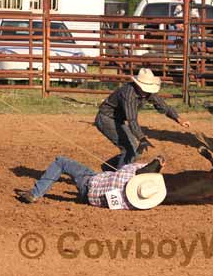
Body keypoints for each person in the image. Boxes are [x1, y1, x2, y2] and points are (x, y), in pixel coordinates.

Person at [95, 68, 190, 171]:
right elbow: (132, 120)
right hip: (106, 118)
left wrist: (179, 119)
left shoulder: (148, 92)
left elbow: (163, 106)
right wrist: (142, 138)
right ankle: (119, 175)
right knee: (131, 149)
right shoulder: (129, 95)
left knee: (133, 150)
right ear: (138, 85)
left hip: (117, 119)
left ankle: (108, 168)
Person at [15, 155, 167, 210]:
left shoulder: (129, 171)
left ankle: (35, 193)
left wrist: (157, 163)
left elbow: (139, 167)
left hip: (90, 181)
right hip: (89, 199)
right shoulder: (134, 204)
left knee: (61, 162)